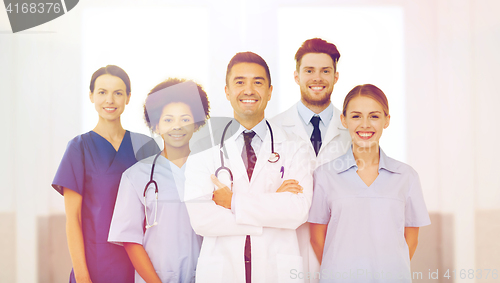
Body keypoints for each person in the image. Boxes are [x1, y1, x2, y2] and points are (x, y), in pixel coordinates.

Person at [183, 52, 313, 283]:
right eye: (240, 82)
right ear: (227, 91)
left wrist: (233, 202)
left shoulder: (295, 147)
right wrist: (273, 204)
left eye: (258, 82)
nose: (249, 90)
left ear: (270, 91)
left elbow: (297, 211)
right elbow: (202, 219)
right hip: (222, 271)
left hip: (277, 271)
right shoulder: (202, 148)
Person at [308, 84, 431, 283]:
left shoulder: (406, 176)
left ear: (386, 120)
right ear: (344, 120)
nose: (365, 124)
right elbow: (316, 238)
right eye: (356, 116)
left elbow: (411, 239)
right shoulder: (325, 175)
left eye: (374, 116)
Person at [52, 65, 159, 283]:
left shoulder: (145, 146)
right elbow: (73, 218)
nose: (110, 100)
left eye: (118, 93)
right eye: (102, 92)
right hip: (95, 263)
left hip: (140, 261)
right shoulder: (79, 148)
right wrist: (82, 275)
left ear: (128, 98)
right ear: (91, 96)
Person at [108, 78, 209, 283]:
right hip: (156, 278)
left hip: (208, 275)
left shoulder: (212, 170)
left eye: (185, 119)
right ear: (156, 125)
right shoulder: (136, 176)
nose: (177, 127)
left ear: (197, 123)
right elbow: (131, 240)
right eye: (168, 120)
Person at [271, 38, 351, 282]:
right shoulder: (272, 129)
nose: (317, 78)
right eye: (309, 70)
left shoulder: (353, 129)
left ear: (336, 76)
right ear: (296, 76)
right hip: (287, 245)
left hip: (339, 243)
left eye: (325, 71)